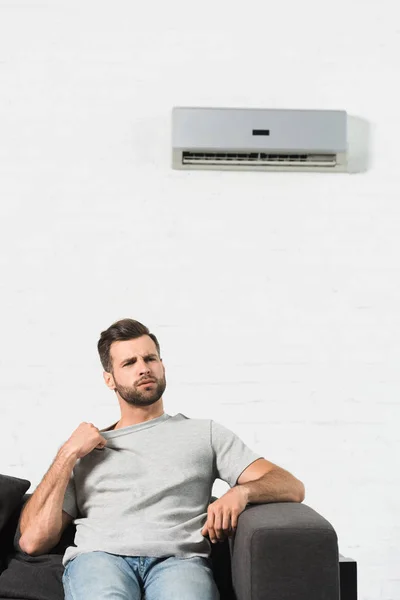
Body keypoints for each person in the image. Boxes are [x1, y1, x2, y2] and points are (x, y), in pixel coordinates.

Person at [18, 318, 305, 600]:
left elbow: (291, 486)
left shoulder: (204, 433)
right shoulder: (85, 449)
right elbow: (32, 542)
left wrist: (241, 492)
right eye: (129, 363)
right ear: (110, 379)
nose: (143, 368)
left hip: (178, 561)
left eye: (150, 358)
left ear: (162, 365)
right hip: (100, 559)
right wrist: (68, 453)